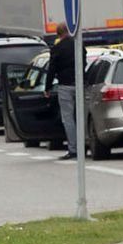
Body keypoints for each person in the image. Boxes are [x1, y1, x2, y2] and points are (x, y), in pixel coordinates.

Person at [48, 26, 81, 158]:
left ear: (58, 34)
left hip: (65, 86)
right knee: (81, 117)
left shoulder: (57, 49)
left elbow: (52, 69)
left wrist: (47, 87)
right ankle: (85, 144)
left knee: (68, 119)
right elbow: (83, 62)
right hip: (80, 85)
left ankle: (73, 149)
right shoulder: (78, 44)